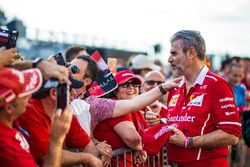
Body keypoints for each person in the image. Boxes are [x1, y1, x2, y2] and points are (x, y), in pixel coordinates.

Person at [166, 30, 241, 167]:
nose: (169, 59)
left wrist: (189, 142)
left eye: (174, 53)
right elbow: (179, 125)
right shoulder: (174, 87)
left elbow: (232, 135)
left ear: (191, 53)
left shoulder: (216, 85)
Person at [0, 67, 72, 167]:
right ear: (9, 108)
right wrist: (56, 139)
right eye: (25, 96)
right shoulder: (8, 148)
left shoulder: (9, 121)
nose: (30, 97)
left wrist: (39, 64)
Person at [94, 70, 147, 166]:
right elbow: (132, 138)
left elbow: (145, 133)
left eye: (135, 84)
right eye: (125, 85)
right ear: (115, 90)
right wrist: (139, 148)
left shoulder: (136, 110)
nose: (131, 88)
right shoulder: (113, 106)